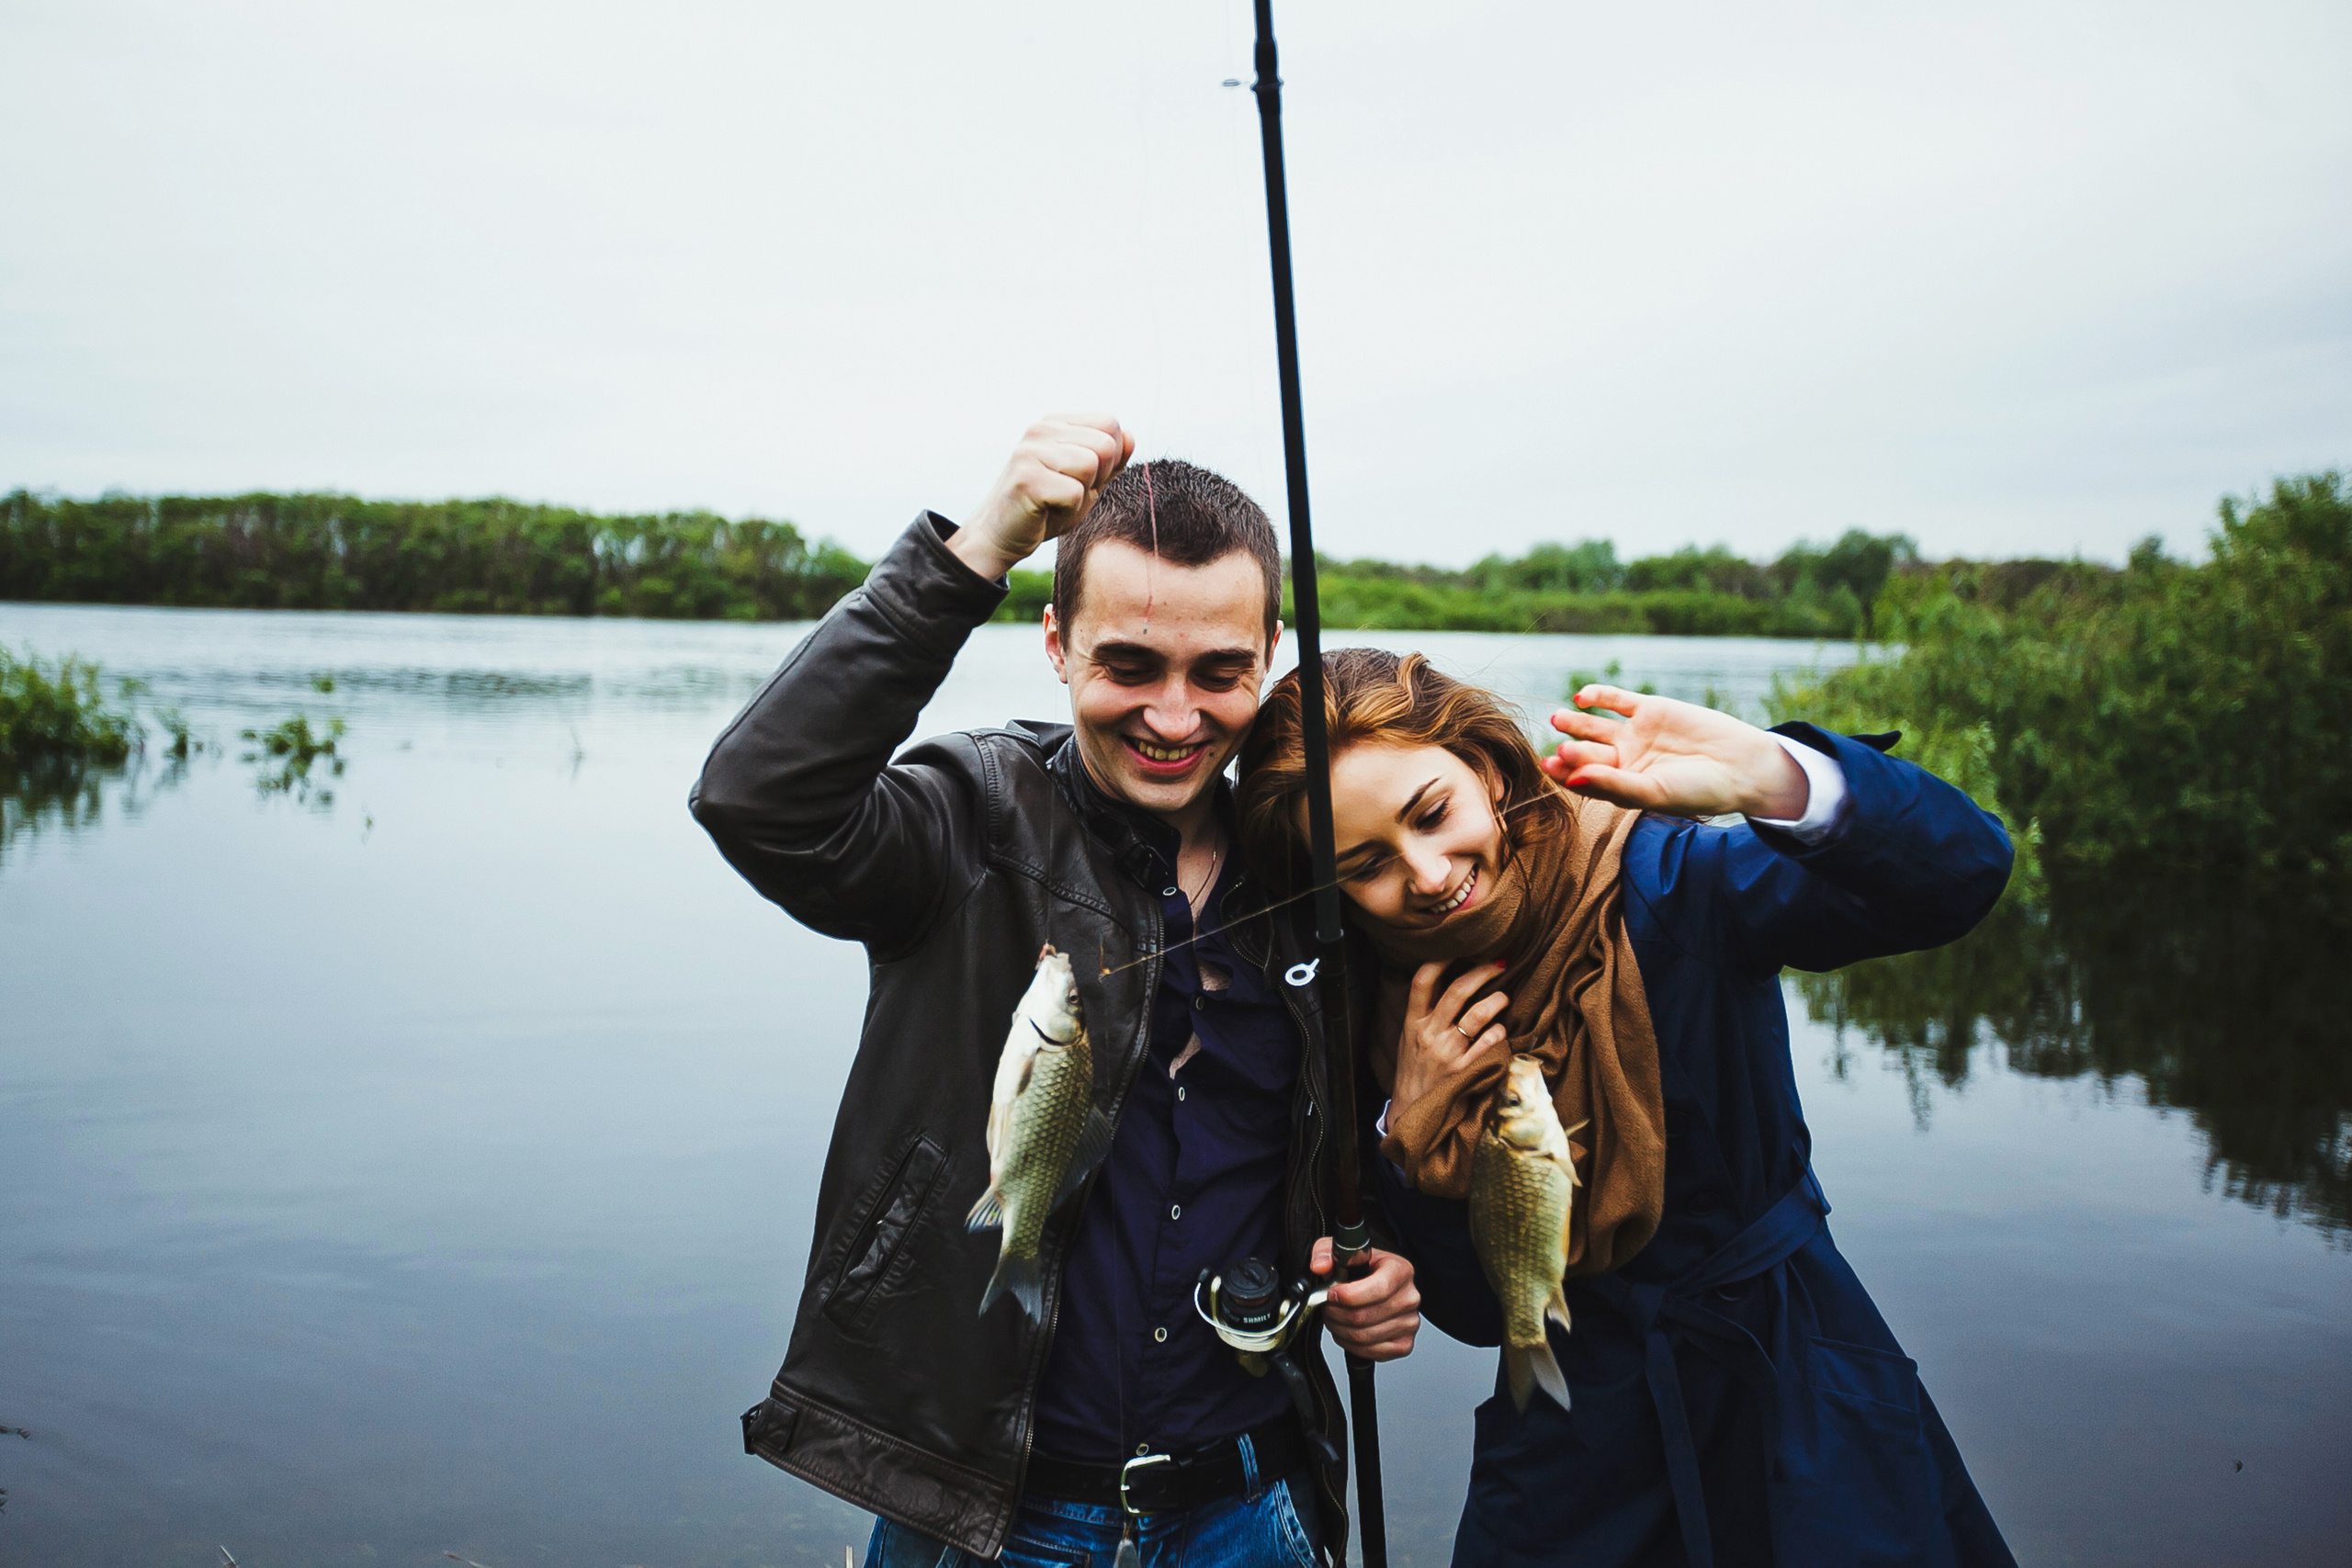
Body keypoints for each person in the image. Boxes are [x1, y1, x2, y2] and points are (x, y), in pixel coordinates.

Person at [690, 415, 1421, 1568]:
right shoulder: (968, 816)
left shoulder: (1317, 869)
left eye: (1218, 672)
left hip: (1250, 1506)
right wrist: (972, 547)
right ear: (1054, 642)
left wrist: (1379, 1257)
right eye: (1127, 664)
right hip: (987, 1515)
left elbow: (1341, 1138)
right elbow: (757, 801)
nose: (1174, 717)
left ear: (1269, 652)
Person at [1237, 649, 2019, 1568]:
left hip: (1793, 1396)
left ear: (1486, 770)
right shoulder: (1374, 1015)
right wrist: (1407, 1135)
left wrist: (1773, 775)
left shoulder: (1661, 877)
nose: (1426, 873)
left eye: (1432, 813)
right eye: (1366, 864)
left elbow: (1962, 872)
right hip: (1571, 1450)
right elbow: (1481, 1313)